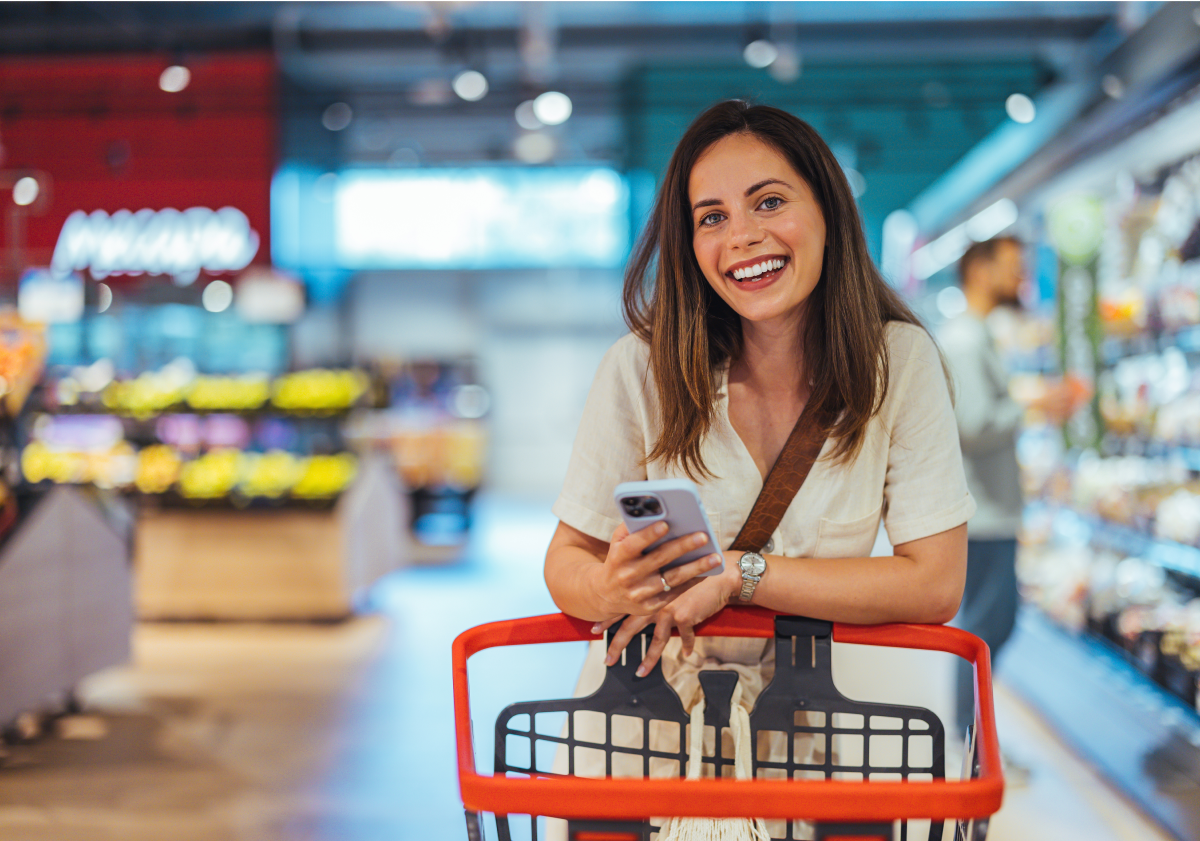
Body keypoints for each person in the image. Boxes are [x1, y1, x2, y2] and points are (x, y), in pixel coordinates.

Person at [543, 101, 976, 779]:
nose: (741, 236)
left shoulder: (898, 362)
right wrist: (608, 585)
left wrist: (739, 576)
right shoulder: (641, 368)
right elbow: (566, 560)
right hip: (642, 736)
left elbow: (935, 581)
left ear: (828, 212)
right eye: (712, 217)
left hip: (819, 738)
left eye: (769, 202)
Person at [938, 237, 1076, 744]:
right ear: (979, 270)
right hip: (984, 511)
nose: (1021, 278)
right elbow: (972, 423)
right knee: (987, 628)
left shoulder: (974, 337)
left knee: (988, 625)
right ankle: (969, 738)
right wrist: (1035, 403)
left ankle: (970, 734)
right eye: (1012, 267)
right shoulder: (967, 340)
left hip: (987, 508)